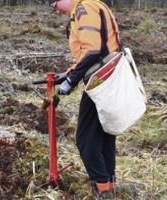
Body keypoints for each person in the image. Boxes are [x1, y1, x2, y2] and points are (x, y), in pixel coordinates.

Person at [47, 0, 121, 198]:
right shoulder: (94, 4)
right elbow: (97, 50)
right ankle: (108, 185)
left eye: (55, 6)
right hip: (108, 75)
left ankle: (103, 190)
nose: (57, 12)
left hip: (100, 81)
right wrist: (70, 72)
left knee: (86, 140)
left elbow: (93, 50)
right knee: (103, 136)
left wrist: (71, 80)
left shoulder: (83, 7)